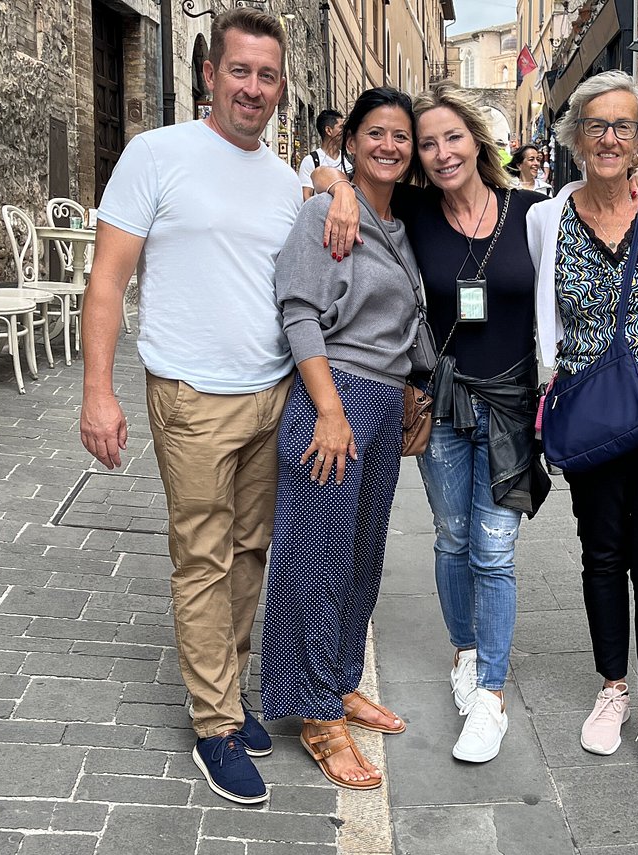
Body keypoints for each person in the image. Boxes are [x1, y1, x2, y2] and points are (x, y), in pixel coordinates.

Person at [314, 84, 638, 766]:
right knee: (451, 539)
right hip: (443, 404)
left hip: (511, 406)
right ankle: (466, 653)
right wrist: (336, 185)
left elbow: (602, 194)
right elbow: (337, 170)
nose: (441, 153)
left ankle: (492, 697)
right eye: (428, 143)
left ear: (479, 141)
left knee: (494, 549)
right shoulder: (414, 209)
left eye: (453, 138)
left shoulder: (533, 212)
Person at [80, 8, 299, 806]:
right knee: (203, 558)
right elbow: (105, 281)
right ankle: (214, 725)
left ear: (281, 85)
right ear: (210, 74)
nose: (252, 87)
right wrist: (97, 392)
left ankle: (230, 692)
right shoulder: (156, 154)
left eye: (266, 75)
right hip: (191, 397)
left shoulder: (285, 180)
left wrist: (337, 186)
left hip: (270, 395)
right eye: (238, 71)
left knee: (250, 554)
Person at [526, 70, 638, 783]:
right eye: (597, 125)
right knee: (601, 554)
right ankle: (612, 690)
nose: (609, 138)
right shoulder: (545, 218)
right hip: (590, 404)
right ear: (574, 137)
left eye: (624, 127)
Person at [260, 87, 420, 791]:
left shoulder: (401, 224)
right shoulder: (327, 212)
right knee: (313, 560)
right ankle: (316, 716)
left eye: (401, 137)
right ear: (348, 140)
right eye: (376, 134)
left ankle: (341, 680)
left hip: (383, 402)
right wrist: (328, 409)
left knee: (360, 557)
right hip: (337, 396)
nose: (390, 145)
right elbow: (298, 313)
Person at [297, 108, 347, 201]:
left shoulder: (349, 160)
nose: (345, 131)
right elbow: (306, 196)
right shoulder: (311, 161)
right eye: (341, 127)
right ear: (329, 130)